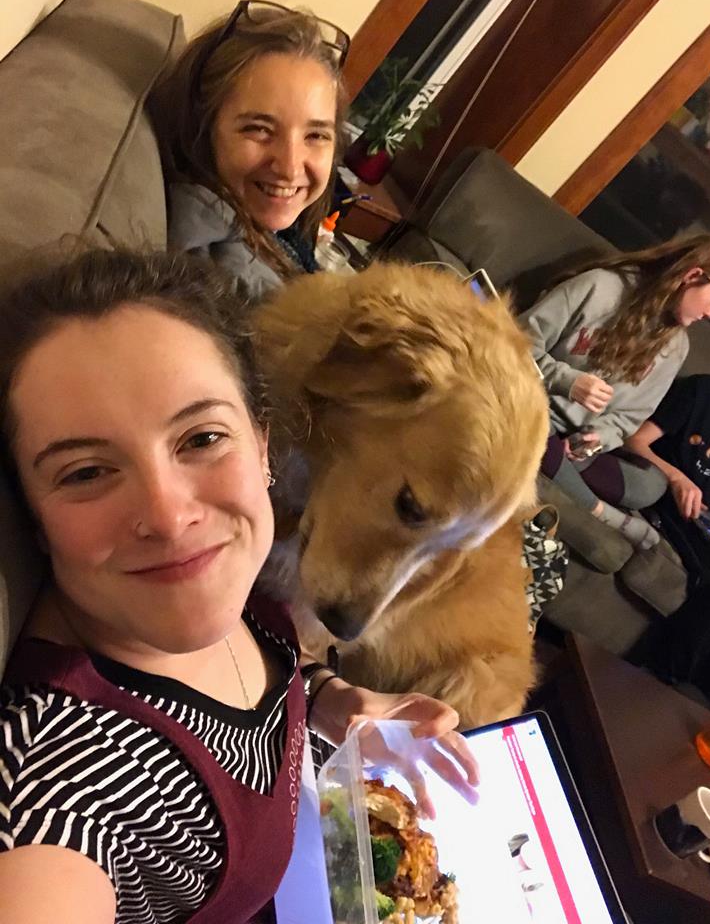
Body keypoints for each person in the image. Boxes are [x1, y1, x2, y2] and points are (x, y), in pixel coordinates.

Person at [0, 249, 478, 924]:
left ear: (262, 444)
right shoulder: (65, 784)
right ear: (32, 515)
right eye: (85, 472)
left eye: (201, 438)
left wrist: (332, 701)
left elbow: (269, 668)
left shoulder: (233, 590)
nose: (170, 517)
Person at [520, 234, 710, 549]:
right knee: (530, 424)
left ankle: (555, 466)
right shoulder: (601, 287)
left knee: (650, 486)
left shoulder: (677, 347)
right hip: (529, 404)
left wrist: (598, 438)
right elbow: (514, 342)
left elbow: (630, 418)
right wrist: (567, 381)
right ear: (693, 276)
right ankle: (597, 511)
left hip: (573, 444)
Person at [152, 0, 349, 301]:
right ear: (201, 128)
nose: (290, 167)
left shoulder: (274, 234)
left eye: (316, 135)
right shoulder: (232, 285)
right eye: (259, 129)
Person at [624, 375, 710, 701]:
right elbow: (634, 441)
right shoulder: (703, 392)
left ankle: (700, 699)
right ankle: (659, 682)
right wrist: (677, 478)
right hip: (672, 508)